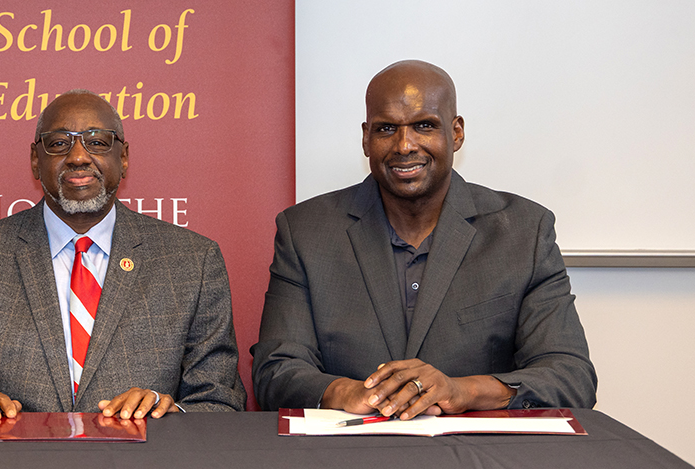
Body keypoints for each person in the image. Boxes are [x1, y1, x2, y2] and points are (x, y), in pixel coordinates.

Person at [251, 60, 596, 418]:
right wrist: (346, 392)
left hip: (482, 463)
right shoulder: (306, 232)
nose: (404, 145)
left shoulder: (524, 230)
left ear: (457, 132)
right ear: (366, 138)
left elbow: (571, 375)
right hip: (348, 461)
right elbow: (275, 370)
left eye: (424, 126)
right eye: (386, 129)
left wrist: (463, 390)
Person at [0, 90, 245, 420]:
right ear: (34, 160)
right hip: (12, 467)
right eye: (59, 143)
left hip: (146, 467)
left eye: (97, 142)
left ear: (124, 157)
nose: (78, 157)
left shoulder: (192, 261)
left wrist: (167, 410)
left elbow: (221, 402)